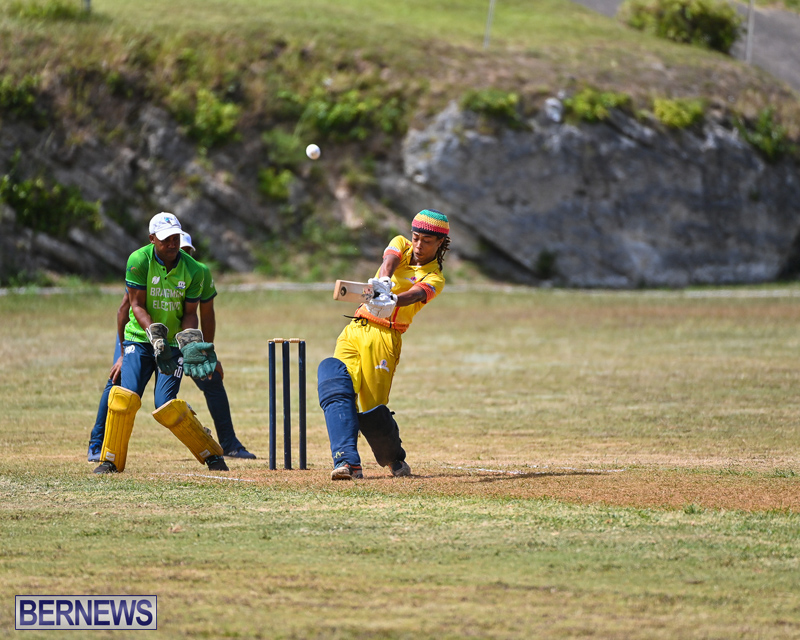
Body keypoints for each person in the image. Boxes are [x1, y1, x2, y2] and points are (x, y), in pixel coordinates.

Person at [86, 233, 256, 462]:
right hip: (139, 337)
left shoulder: (197, 271)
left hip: (177, 340)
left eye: (186, 251)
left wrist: (206, 352)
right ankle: (98, 445)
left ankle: (229, 444)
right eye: (176, 248)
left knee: (209, 379)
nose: (178, 255)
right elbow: (125, 309)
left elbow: (205, 315)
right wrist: (122, 354)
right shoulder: (145, 265)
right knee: (119, 384)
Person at [317, 209, 450, 480]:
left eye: (427, 241)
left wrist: (393, 299)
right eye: (416, 237)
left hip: (384, 336)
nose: (418, 245)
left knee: (372, 409)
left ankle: (394, 458)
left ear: (440, 243)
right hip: (356, 327)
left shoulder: (435, 277)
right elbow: (390, 259)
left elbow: (416, 295)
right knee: (336, 387)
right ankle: (347, 462)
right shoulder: (401, 243)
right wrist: (384, 282)